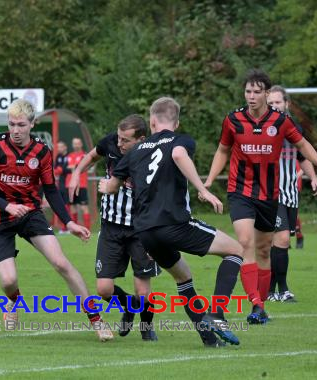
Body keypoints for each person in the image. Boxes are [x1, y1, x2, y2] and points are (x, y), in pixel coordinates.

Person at [100, 97, 245, 348]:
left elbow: (112, 186)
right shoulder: (181, 141)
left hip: (145, 232)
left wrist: (106, 186)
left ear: (152, 121)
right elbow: (178, 154)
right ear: (176, 123)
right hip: (174, 224)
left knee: (183, 278)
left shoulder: (135, 151)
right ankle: (217, 313)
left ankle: (209, 339)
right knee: (236, 251)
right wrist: (203, 189)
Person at [0, 99, 113, 342]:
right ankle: (14, 301)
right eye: (11, 125)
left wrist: (69, 222)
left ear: (32, 124)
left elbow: (50, 190)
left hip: (30, 214)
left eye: (21, 125)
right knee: (8, 280)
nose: (15, 131)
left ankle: (97, 320)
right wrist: (7, 205)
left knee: (61, 263)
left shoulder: (41, 151)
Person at [204, 69, 317, 324]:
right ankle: (255, 302)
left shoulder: (281, 121)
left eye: (256, 92)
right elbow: (222, 150)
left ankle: (259, 307)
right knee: (244, 242)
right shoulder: (233, 120)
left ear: (266, 93)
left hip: (269, 195)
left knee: (264, 250)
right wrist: (209, 179)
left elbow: (303, 145)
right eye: (247, 91)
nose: (251, 96)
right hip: (240, 190)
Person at [69, 114, 160, 341]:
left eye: (125, 140)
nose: (119, 144)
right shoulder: (111, 143)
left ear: (141, 139)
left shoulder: (153, 156)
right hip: (111, 227)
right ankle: (128, 306)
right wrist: (76, 173)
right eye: (118, 138)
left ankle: (147, 327)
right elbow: (92, 156)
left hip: (141, 229)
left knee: (144, 292)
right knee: (104, 289)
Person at [266, 85, 317, 302]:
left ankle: (275, 290)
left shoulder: (295, 128)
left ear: (286, 104)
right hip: (271, 194)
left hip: (291, 193)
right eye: (270, 103)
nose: (274, 107)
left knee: (281, 243)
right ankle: (279, 290)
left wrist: (314, 178)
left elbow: (301, 157)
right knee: (279, 239)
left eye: (277, 102)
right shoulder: (261, 128)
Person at [66, 137, 91, 229]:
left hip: (81, 185)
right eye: (74, 143)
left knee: (84, 207)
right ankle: (75, 228)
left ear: (81, 144)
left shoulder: (85, 155)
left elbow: (80, 166)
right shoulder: (70, 155)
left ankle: (88, 228)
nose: (76, 145)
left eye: (78, 143)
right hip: (70, 185)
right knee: (72, 206)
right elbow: (66, 167)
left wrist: (73, 166)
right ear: (72, 145)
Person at [53, 141, 70, 233]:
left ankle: (69, 226)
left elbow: (69, 168)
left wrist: (61, 170)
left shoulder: (69, 156)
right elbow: (56, 169)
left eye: (61, 147)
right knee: (62, 204)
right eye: (58, 147)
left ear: (65, 147)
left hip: (68, 183)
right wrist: (59, 170)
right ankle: (64, 227)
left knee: (68, 205)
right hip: (61, 183)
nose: (59, 149)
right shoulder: (58, 157)